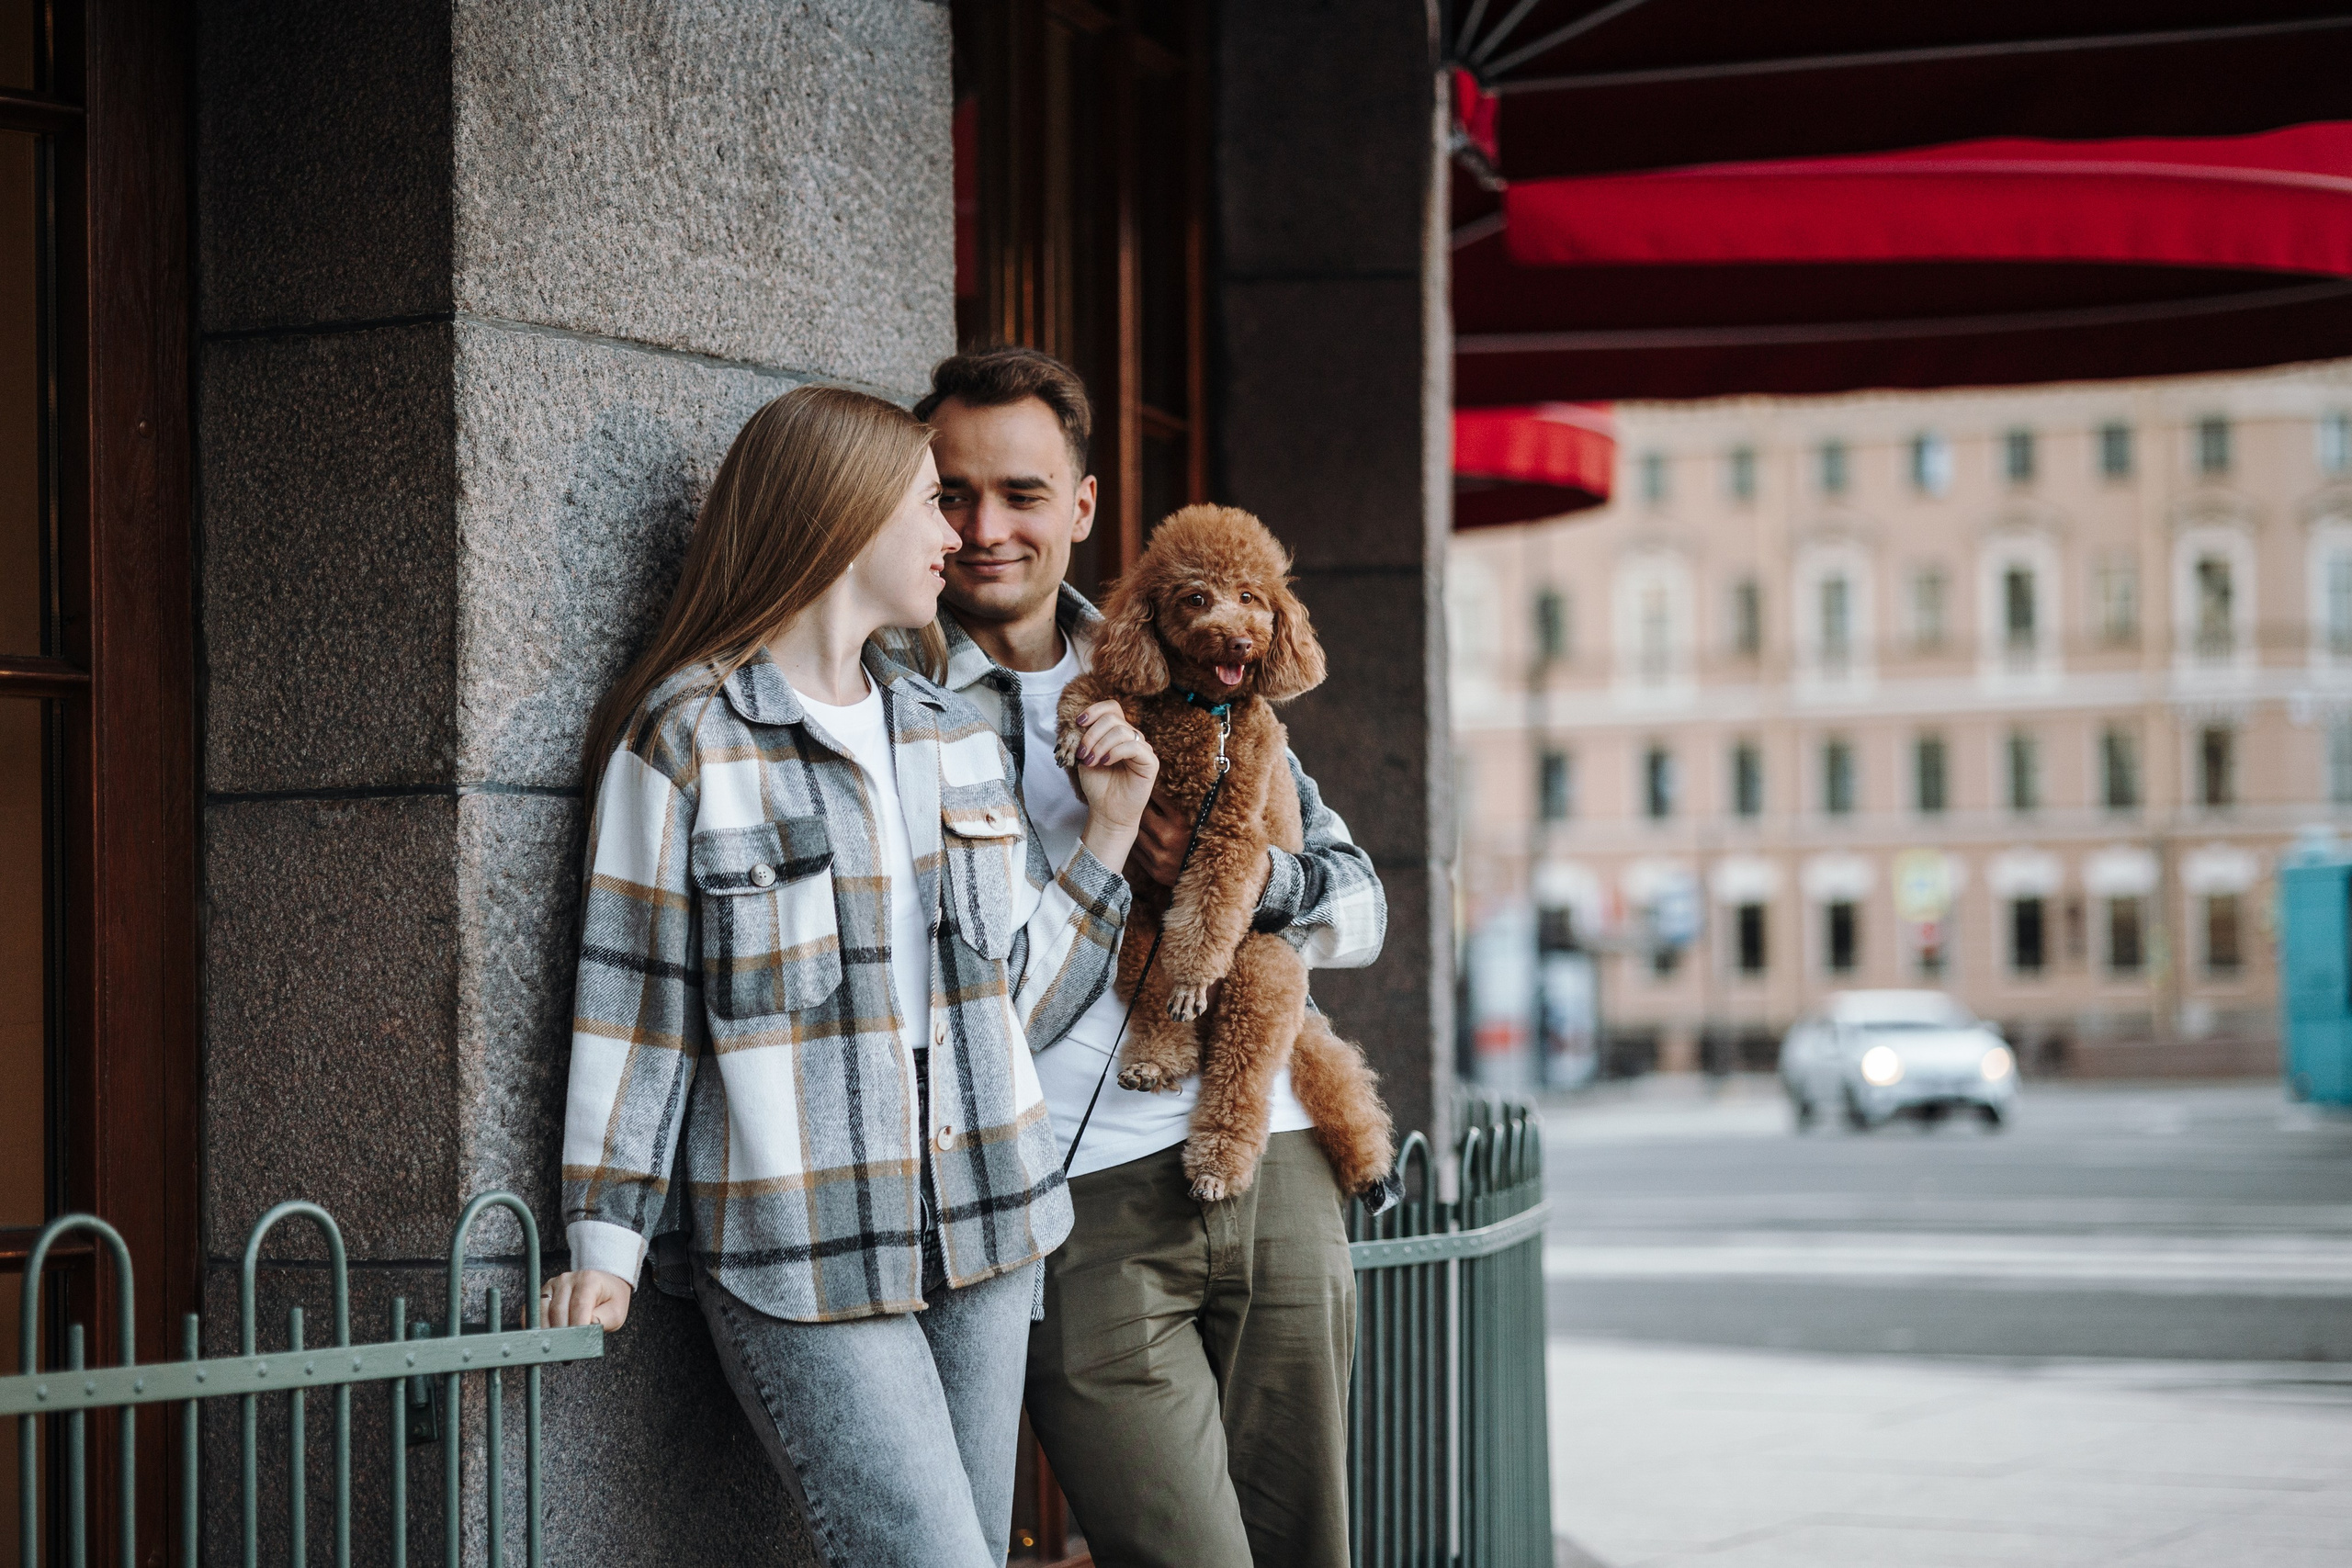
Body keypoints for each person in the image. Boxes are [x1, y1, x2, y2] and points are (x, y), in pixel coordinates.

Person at [540, 384, 1158, 1568]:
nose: (956, 537)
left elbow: (1012, 1004)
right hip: (800, 1244)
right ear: (845, 516)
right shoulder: (690, 738)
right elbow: (634, 1008)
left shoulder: (945, 729)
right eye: (933, 502)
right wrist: (604, 1243)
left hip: (990, 1224)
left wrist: (1110, 839)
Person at [897, 347, 1387, 1568]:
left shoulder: (1183, 676)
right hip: (1079, 1206)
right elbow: (959, 998)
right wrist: (1113, 849)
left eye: (1021, 493)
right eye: (953, 496)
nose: (986, 530)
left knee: (1306, 1546)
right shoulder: (897, 710)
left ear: (1083, 507)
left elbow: (1364, 905)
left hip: (1273, 1161)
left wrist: (1243, 884)